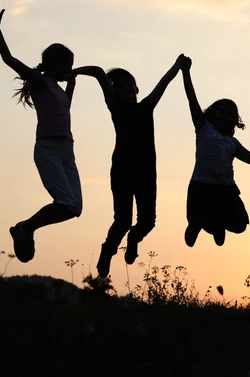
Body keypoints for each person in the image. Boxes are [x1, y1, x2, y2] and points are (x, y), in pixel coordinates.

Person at [0, 0, 82, 263]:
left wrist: (72, 83)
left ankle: (25, 227)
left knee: (75, 208)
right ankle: (25, 227)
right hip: (47, 148)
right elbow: (8, 59)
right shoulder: (39, 80)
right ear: (53, 65)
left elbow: (66, 108)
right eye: (67, 66)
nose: (69, 70)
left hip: (66, 149)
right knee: (67, 203)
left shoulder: (58, 89)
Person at [71, 55, 186, 277]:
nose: (125, 89)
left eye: (129, 85)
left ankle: (134, 239)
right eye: (119, 86)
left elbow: (164, 82)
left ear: (136, 88)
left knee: (147, 222)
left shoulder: (147, 106)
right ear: (114, 91)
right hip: (122, 170)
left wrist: (177, 66)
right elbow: (96, 71)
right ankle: (108, 250)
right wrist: (73, 72)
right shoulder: (115, 107)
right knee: (122, 220)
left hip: (145, 173)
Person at [180, 55, 250, 247]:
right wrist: (185, 71)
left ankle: (215, 224)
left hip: (225, 189)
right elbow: (191, 98)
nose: (229, 117)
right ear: (215, 113)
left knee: (240, 224)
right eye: (225, 112)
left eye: (232, 115)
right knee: (197, 218)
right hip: (201, 186)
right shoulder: (204, 128)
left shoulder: (232, 143)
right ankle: (196, 224)